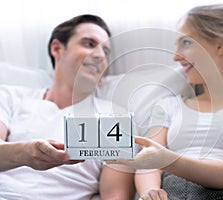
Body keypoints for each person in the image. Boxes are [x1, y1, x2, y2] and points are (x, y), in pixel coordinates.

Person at [112, 4, 223, 200]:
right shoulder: (168, 106)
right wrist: (149, 193)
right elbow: (149, 162)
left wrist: (168, 160)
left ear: (220, 45)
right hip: (170, 193)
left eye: (186, 43)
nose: (176, 56)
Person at [0, 14, 135, 199]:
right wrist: (26, 153)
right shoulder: (11, 98)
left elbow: (115, 196)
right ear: (56, 48)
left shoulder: (114, 118)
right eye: (89, 44)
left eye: (105, 51)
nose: (99, 56)